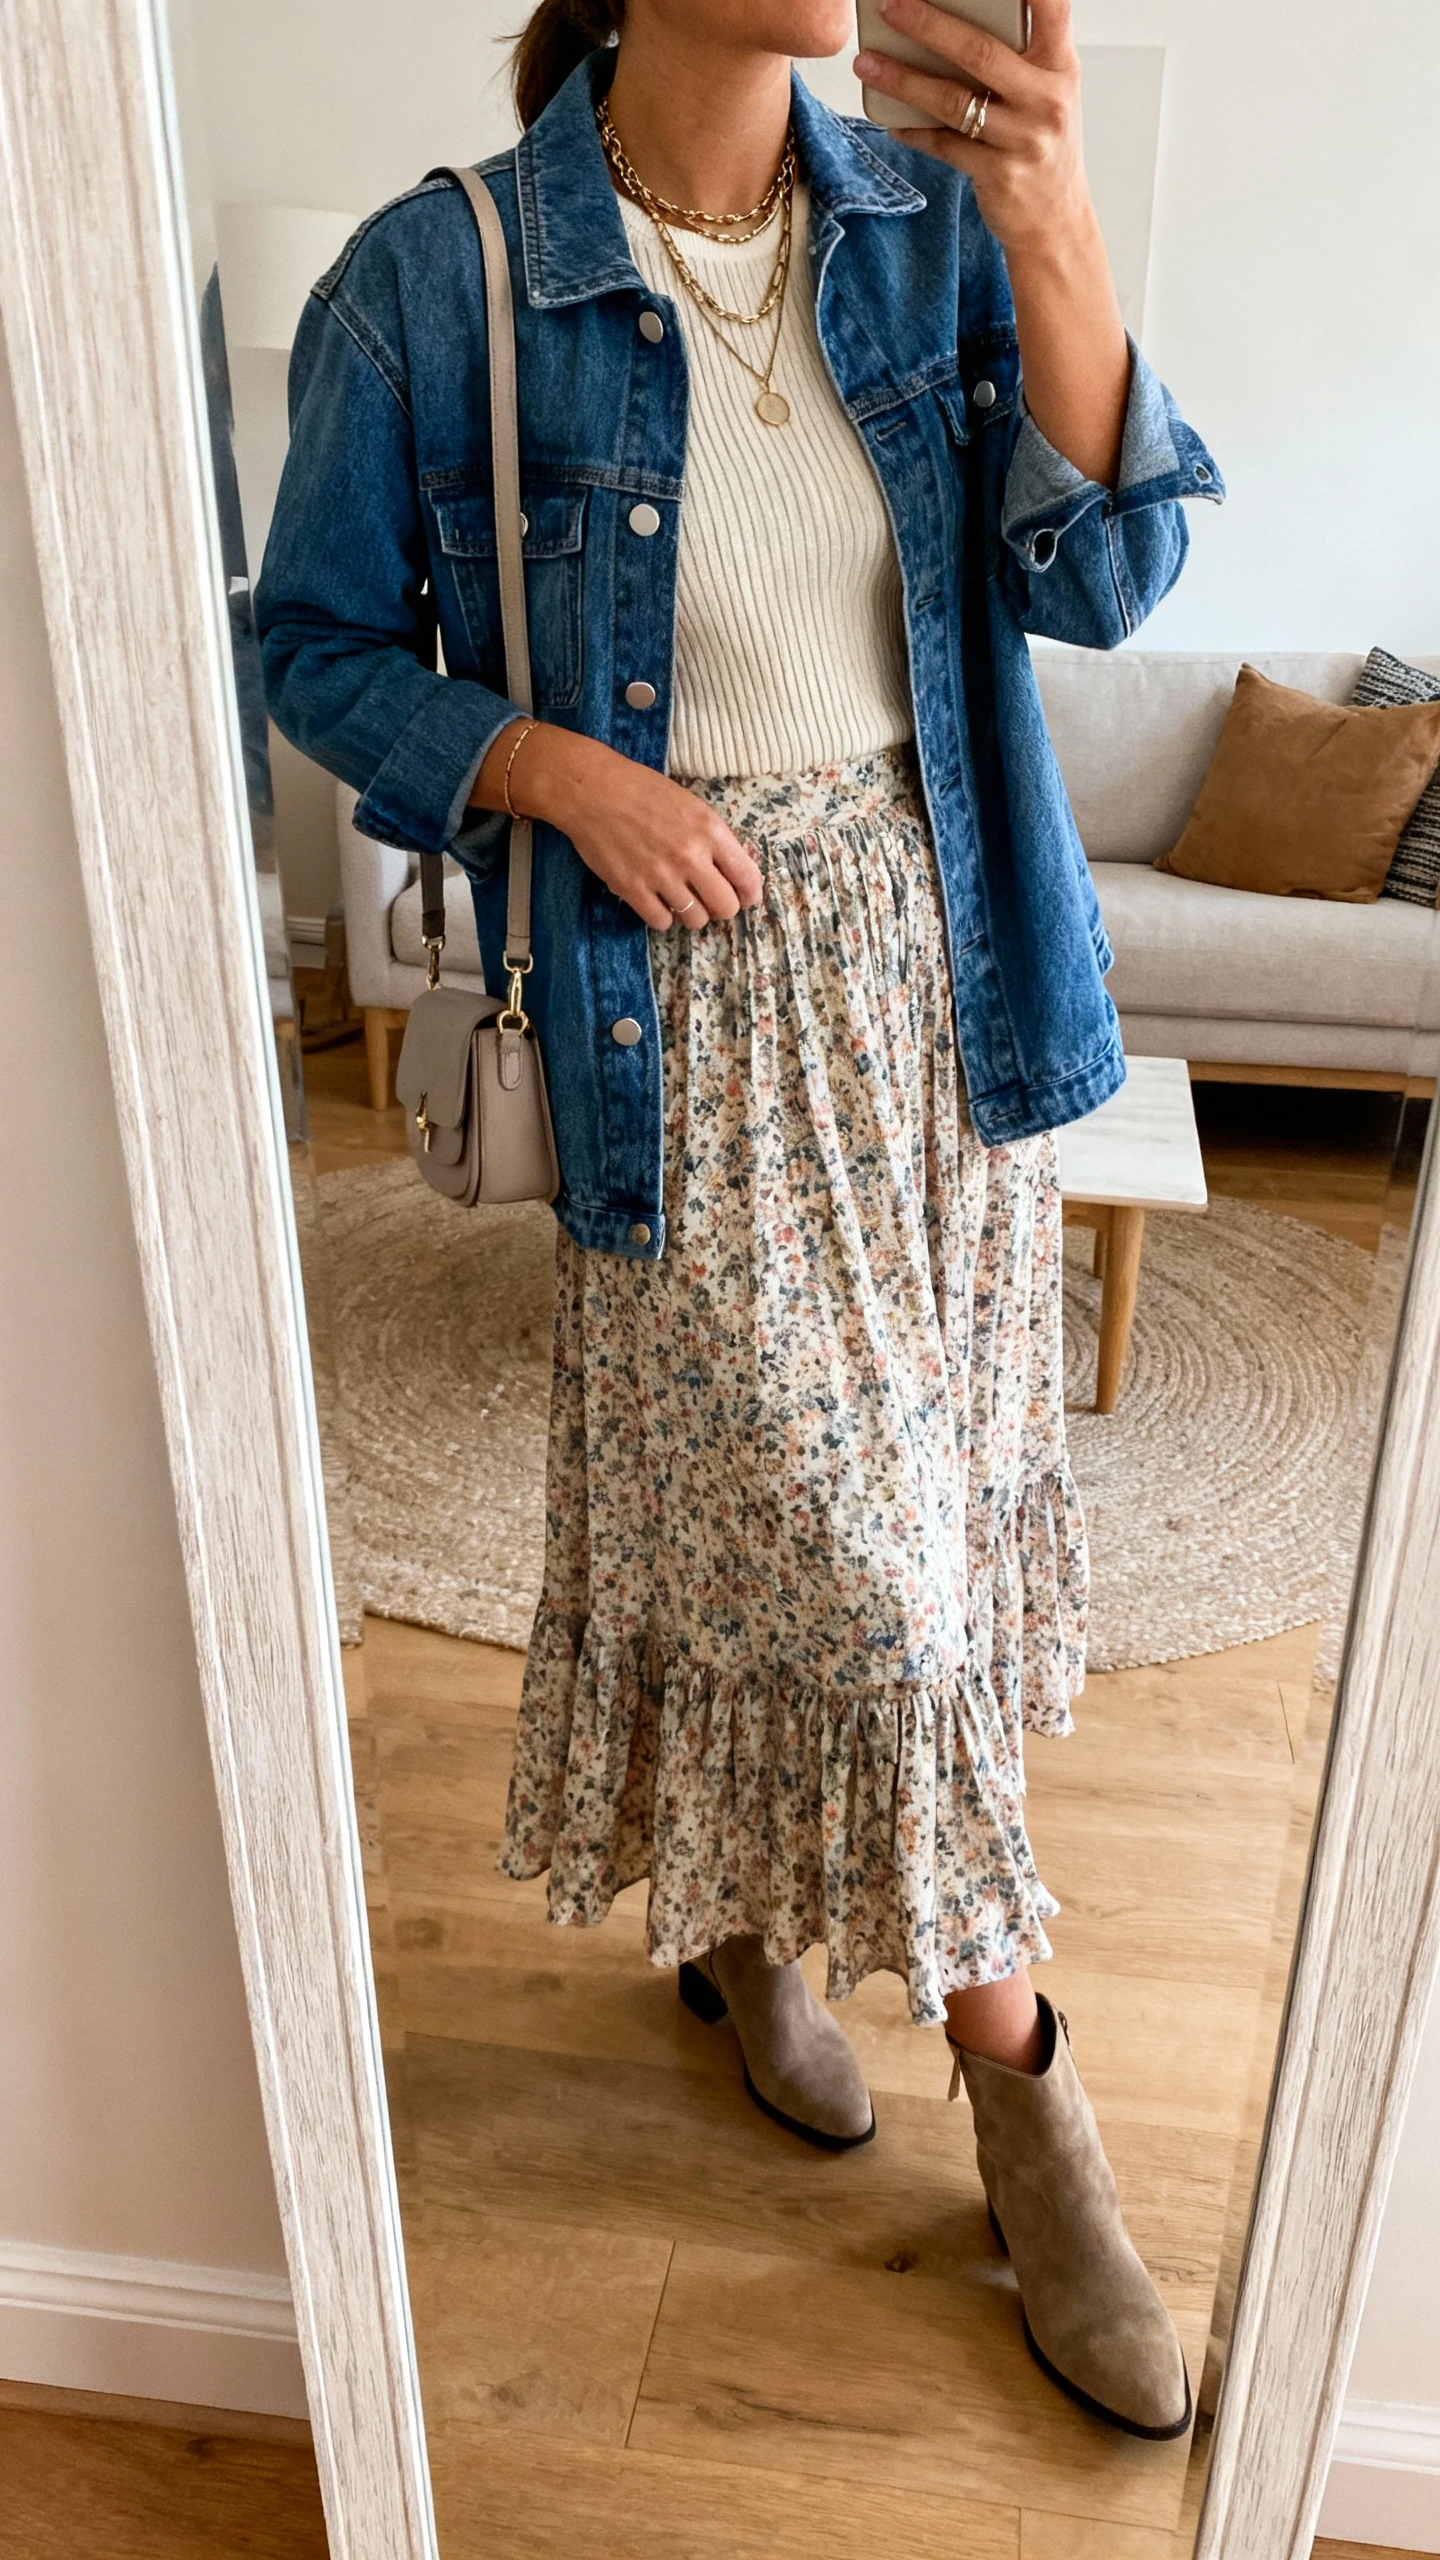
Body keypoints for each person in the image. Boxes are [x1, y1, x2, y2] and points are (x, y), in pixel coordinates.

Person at [257, 0, 1222, 2441]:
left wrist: (1061, 219)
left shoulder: (934, 237)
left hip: (951, 1001)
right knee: (856, 1575)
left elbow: (1106, 577)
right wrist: (556, 767)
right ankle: (1028, 2081)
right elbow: (312, 643)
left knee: (917, 1531)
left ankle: (747, 1928)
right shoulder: (438, 278)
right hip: (665, 1020)